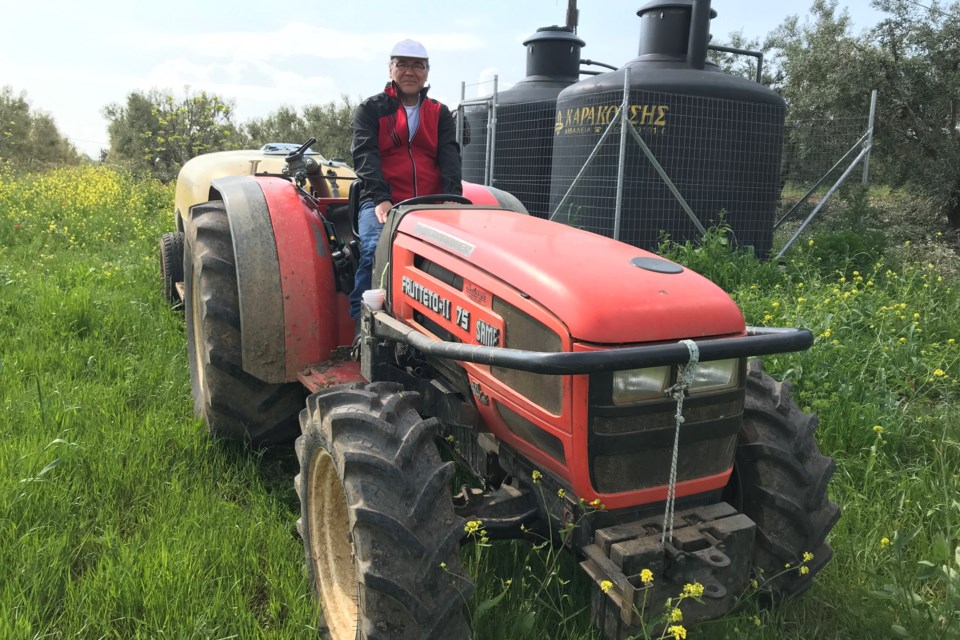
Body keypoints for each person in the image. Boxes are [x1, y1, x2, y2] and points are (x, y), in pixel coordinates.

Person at [349, 38, 462, 327]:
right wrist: (380, 197)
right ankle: (363, 326)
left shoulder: (440, 113)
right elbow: (365, 155)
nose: (410, 72)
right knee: (376, 250)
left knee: (455, 258)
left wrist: (451, 197)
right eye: (403, 65)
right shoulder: (371, 109)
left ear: (426, 72)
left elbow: (450, 155)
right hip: (382, 200)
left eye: (418, 66)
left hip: (430, 202)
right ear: (391, 70)